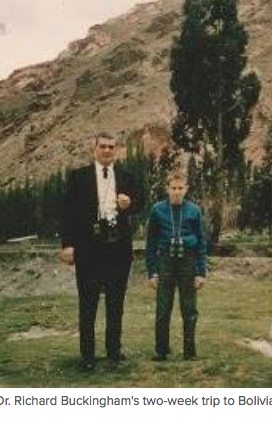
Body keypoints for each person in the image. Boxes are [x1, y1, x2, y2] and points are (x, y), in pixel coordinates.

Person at [60, 132, 140, 371]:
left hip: (118, 248)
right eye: (103, 146)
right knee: (88, 303)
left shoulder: (126, 176)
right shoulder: (78, 177)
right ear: (94, 149)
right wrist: (67, 245)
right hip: (89, 249)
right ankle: (87, 355)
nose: (107, 150)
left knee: (116, 303)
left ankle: (114, 350)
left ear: (116, 150)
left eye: (111, 147)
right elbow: (66, 213)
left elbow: (141, 202)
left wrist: (130, 204)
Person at [146, 171, 207, 361]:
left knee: (189, 308)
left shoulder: (194, 210)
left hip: (188, 261)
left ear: (186, 189)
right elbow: (151, 243)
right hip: (166, 261)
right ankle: (161, 350)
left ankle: (190, 351)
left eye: (180, 188)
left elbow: (201, 242)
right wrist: (152, 272)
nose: (177, 192)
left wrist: (201, 272)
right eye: (173, 188)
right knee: (163, 308)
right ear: (167, 189)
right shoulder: (157, 210)